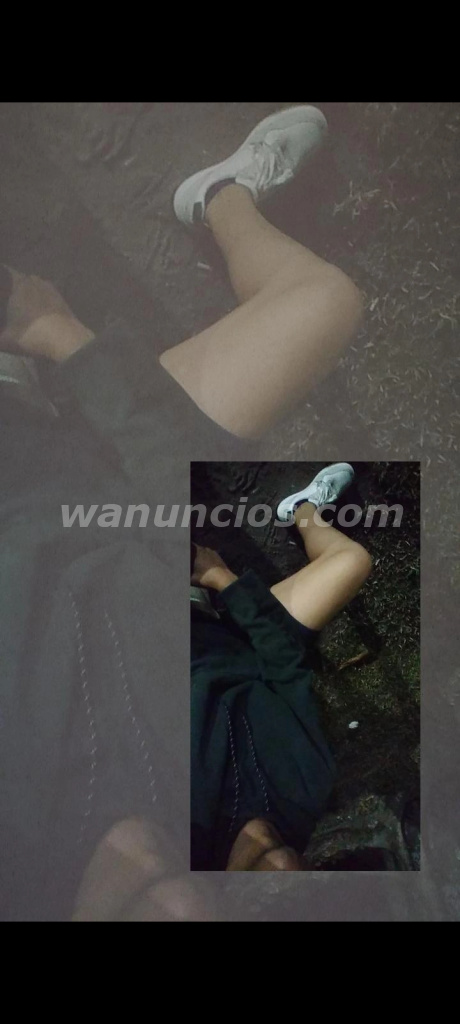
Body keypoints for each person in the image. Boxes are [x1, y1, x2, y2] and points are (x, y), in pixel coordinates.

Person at [0, 105, 364, 919]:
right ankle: (222, 196)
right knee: (323, 303)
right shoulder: (231, 791)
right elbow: (184, 539)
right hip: (112, 465)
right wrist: (67, 341)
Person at [191, 464, 372, 871]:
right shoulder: (307, 794)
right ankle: (304, 509)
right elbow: (287, 671)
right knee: (352, 561)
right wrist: (224, 581)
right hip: (244, 639)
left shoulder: (182, 833)